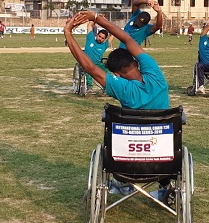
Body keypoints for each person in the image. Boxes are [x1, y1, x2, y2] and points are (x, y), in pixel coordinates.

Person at [65, 10, 170, 197]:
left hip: (126, 159)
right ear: (136, 62)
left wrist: (68, 33)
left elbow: (89, 67)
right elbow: (128, 40)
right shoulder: (156, 75)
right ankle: (164, 187)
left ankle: (121, 183)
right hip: (162, 157)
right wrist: (96, 18)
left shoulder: (122, 88)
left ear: (117, 74)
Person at [78, 18, 110, 91]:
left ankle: (107, 87)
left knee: (107, 71)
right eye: (99, 36)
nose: (100, 39)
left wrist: (106, 22)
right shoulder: (90, 38)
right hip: (87, 63)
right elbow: (90, 25)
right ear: (97, 35)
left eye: (102, 38)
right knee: (89, 69)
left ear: (104, 39)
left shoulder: (104, 45)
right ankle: (89, 86)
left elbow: (113, 34)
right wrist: (96, 17)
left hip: (97, 64)